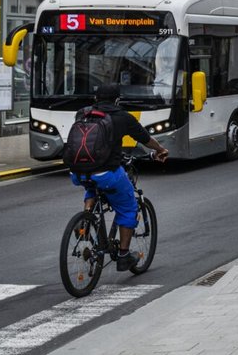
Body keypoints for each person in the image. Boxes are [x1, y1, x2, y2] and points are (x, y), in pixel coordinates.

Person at [69, 82, 168, 270]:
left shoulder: (82, 113)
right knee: (128, 207)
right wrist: (161, 150)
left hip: (77, 172)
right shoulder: (123, 117)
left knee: (91, 184)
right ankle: (123, 255)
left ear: (96, 99)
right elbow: (146, 139)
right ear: (117, 100)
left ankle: (86, 217)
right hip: (107, 174)